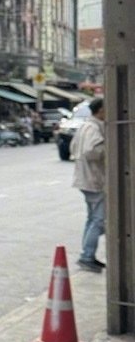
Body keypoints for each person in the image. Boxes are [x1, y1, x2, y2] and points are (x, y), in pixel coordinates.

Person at [72, 95, 106, 272]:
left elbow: (73, 147)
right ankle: (87, 256)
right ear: (100, 110)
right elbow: (91, 151)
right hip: (93, 179)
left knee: (92, 218)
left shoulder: (86, 126)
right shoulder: (93, 128)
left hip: (86, 179)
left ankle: (88, 254)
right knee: (99, 220)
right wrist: (109, 148)